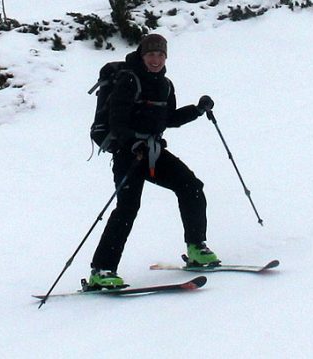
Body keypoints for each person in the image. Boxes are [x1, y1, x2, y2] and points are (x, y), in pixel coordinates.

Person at [87, 33, 219, 289]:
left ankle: (196, 247)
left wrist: (197, 110)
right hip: (128, 155)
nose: (155, 59)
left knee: (191, 186)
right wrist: (131, 144)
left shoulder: (165, 85)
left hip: (152, 152)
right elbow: (117, 121)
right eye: (151, 54)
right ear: (142, 55)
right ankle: (101, 270)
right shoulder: (128, 80)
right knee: (127, 208)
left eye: (160, 54)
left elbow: (168, 118)